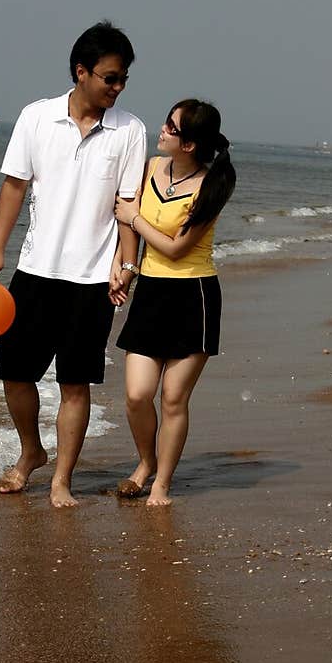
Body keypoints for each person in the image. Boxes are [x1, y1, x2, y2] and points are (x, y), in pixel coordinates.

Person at [0, 21, 146, 507]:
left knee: (76, 383)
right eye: (110, 78)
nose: (117, 88)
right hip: (34, 271)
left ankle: (61, 480)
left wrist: (126, 265)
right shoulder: (36, 117)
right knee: (14, 372)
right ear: (81, 72)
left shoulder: (130, 130)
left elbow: (128, 207)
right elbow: (15, 185)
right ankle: (31, 451)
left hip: (93, 280)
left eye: (123, 80)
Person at [113, 99, 237, 507]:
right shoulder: (149, 167)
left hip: (193, 296)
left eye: (171, 127)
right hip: (150, 292)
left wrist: (135, 218)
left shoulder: (210, 186)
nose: (162, 129)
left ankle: (161, 484)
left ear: (189, 145)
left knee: (172, 398)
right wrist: (124, 264)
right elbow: (125, 223)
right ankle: (146, 463)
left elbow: (177, 248)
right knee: (136, 394)